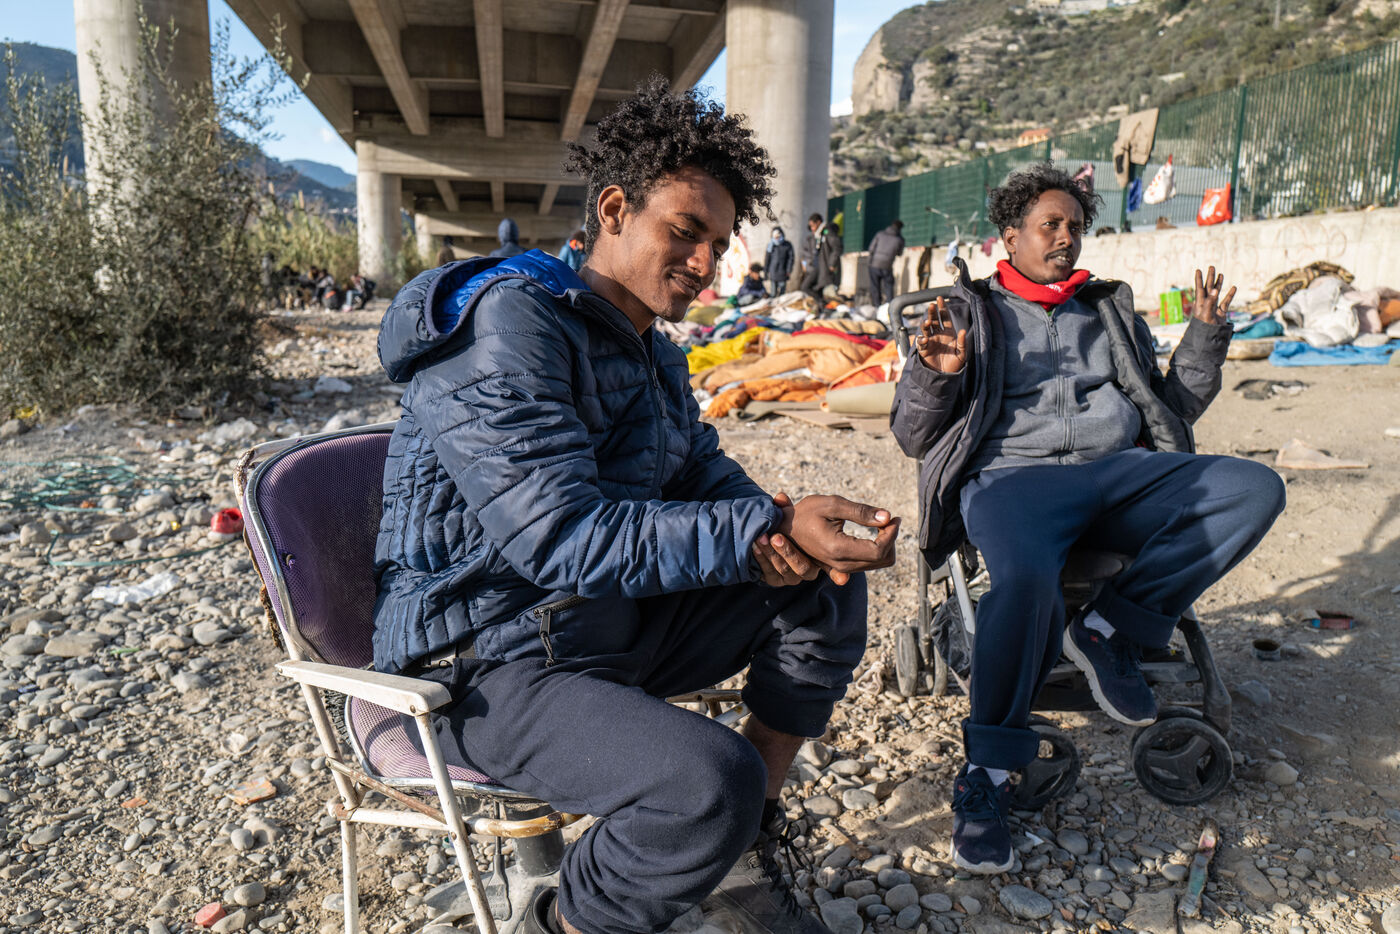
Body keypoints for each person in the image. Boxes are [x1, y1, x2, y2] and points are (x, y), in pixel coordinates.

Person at [374, 78, 900, 934]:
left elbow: (699, 472)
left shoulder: (649, 348)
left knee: (824, 583)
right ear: (615, 210)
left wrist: (792, 531)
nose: (705, 265)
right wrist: (758, 530)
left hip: (595, 622)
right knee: (706, 781)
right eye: (685, 233)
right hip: (481, 661)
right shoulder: (509, 325)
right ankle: (565, 923)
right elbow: (559, 534)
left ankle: (741, 846)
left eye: (718, 244)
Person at [890, 162, 1285, 875]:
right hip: (1014, 479)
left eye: (1075, 226)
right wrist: (934, 375)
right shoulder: (970, 312)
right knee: (1024, 584)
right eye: (1051, 225)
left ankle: (1106, 626)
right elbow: (915, 436)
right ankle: (988, 771)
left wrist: (1203, 339)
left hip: (1118, 471)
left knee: (1251, 488)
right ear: (1010, 236)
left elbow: (1171, 407)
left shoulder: (1107, 309)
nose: (1066, 238)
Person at [801, 217, 843, 302]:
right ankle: (821, 304)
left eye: (813, 226)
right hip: (816, 268)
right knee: (809, 288)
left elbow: (837, 247)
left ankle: (823, 304)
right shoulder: (817, 235)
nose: (812, 228)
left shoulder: (827, 232)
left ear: (818, 222)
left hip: (824, 268)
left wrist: (832, 263)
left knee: (810, 287)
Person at [866, 219, 905, 306]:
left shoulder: (880, 234)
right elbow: (899, 253)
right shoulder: (899, 239)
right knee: (889, 286)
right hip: (887, 265)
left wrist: (869, 262)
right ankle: (890, 306)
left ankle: (877, 306)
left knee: (875, 286)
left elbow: (871, 248)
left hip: (874, 264)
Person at [764, 226, 794, 296]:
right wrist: (766, 271)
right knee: (773, 293)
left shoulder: (787, 245)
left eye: (778, 236)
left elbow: (791, 258)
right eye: (775, 237)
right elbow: (767, 259)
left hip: (783, 272)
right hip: (773, 272)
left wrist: (789, 270)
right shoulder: (770, 245)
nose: (777, 238)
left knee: (782, 294)